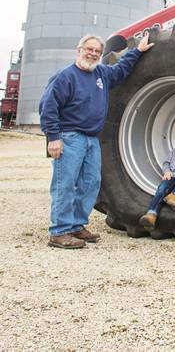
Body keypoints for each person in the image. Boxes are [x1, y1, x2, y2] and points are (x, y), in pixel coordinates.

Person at [39, 32, 154, 249]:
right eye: (89, 50)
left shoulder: (101, 73)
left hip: (92, 139)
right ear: (79, 50)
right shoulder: (64, 76)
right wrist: (53, 138)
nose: (92, 54)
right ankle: (59, 232)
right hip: (69, 137)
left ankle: (76, 225)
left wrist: (137, 51)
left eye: (97, 51)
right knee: (65, 184)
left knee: (91, 183)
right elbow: (48, 108)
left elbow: (120, 70)